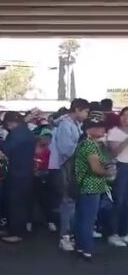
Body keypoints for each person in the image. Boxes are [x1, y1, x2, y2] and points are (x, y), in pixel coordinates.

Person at [48, 98, 90, 251]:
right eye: (85, 111)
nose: (86, 115)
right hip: (66, 167)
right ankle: (64, 236)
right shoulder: (66, 125)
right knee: (68, 202)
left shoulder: (74, 124)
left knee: (70, 202)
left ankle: (69, 234)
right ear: (77, 110)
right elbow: (66, 150)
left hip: (72, 167)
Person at [74, 112, 113, 260]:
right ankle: (87, 249)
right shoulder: (90, 145)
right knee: (88, 220)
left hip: (84, 185)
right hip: (91, 186)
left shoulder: (87, 144)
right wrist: (108, 173)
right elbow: (96, 168)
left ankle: (80, 247)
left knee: (82, 217)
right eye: (99, 127)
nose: (103, 130)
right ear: (89, 129)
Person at [0, 111, 36, 243]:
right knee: (21, 202)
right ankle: (15, 229)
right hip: (25, 171)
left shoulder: (17, 134)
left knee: (15, 203)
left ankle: (16, 232)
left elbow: (8, 148)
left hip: (17, 172)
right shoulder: (26, 132)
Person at [105, 107, 128, 246]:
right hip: (120, 167)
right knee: (118, 201)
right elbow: (114, 152)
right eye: (124, 115)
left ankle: (124, 232)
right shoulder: (114, 132)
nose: (126, 118)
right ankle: (112, 233)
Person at [31, 126, 57, 233]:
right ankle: (30, 221)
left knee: (45, 200)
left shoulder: (49, 151)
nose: (47, 140)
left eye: (49, 138)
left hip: (44, 176)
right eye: (45, 137)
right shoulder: (31, 149)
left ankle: (49, 221)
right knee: (31, 200)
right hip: (32, 177)